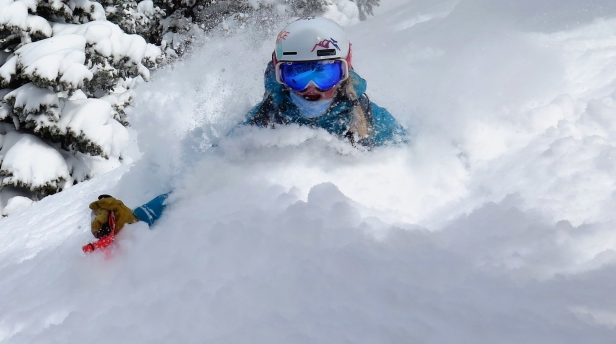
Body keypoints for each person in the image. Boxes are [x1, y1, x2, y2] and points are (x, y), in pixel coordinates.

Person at [88, 17, 407, 239]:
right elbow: (201, 182)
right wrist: (138, 217)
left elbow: (415, 160)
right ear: (281, 76)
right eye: (297, 76)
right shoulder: (265, 120)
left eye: (324, 75)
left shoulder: (367, 117)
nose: (311, 89)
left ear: (345, 72)